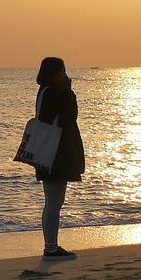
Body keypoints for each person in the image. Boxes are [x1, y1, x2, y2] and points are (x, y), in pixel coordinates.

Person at [33, 57, 85, 259]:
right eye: (62, 72)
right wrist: (69, 92)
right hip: (55, 154)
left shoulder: (45, 92)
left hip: (49, 153)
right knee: (54, 203)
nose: (66, 76)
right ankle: (51, 248)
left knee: (52, 202)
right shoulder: (55, 94)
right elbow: (70, 117)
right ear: (54, 75)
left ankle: (51, 246)